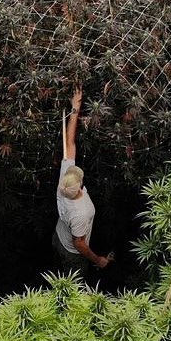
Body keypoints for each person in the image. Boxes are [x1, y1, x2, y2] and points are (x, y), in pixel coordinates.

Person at [53, 89, 111, 275]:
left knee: (57, 264)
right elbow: (79, 244)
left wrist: (75, 109)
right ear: (78, 187)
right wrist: (98, 260)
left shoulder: (65, 183)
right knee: (74, 281)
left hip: (58, 237)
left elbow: (69, 144)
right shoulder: (80, 214)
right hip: (72, 252)